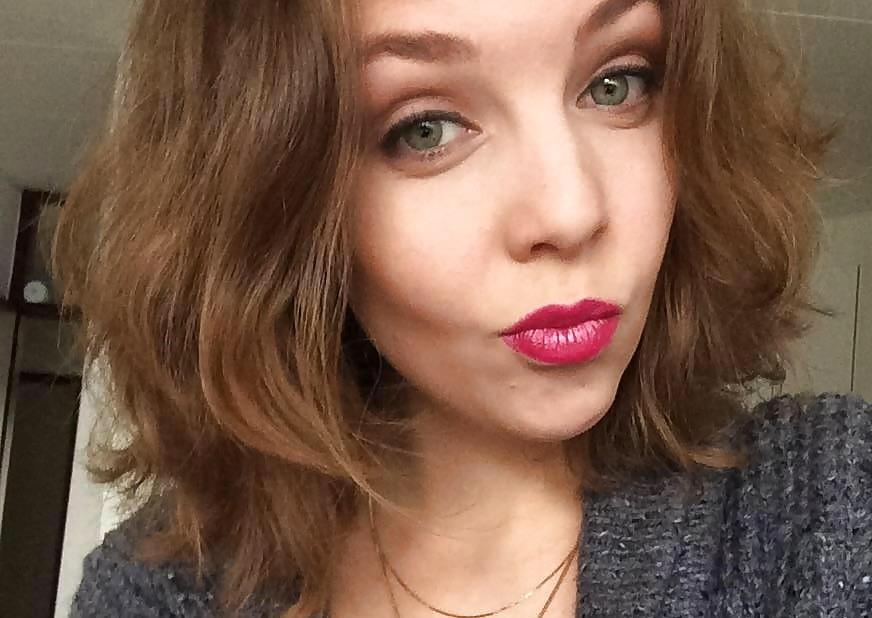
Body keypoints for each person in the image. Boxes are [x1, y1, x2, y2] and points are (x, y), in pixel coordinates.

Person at [58, 0, 870, 616]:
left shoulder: (826, 506)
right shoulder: (156, 592)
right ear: (272, 205)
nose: (570, 211)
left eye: (616, 84)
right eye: (426, 129)